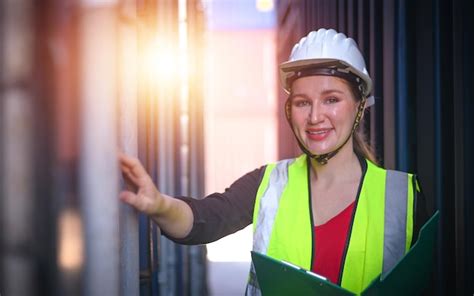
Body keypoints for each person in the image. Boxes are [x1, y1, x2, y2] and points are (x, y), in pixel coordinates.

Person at [119, 28, 429, 295]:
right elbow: (204, 220)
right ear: (289, 110)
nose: (315, 116)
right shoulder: (268, 184)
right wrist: (160, 205)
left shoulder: (403, 196)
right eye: (302, 102)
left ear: (359, 107)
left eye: (331, 99)